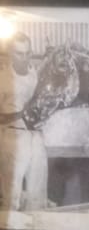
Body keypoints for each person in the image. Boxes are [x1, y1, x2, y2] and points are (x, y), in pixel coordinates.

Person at [0, 32, 48, 211]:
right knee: (12, 196)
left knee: (37, 195)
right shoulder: (2, 78)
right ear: (11, 53)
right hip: (12, 136)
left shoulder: (37, 76)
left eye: (28, 53)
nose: (24, 57)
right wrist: (22, 114)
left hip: (36, 137)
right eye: (19, 53)